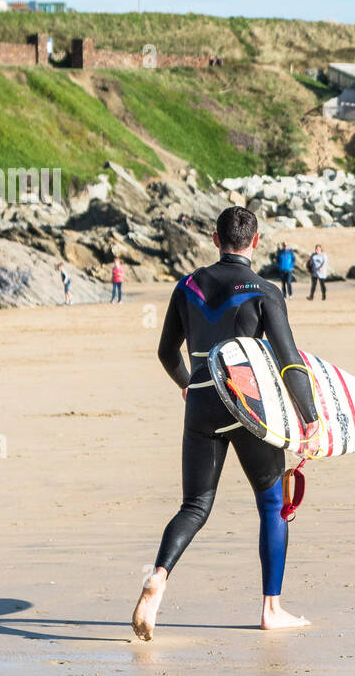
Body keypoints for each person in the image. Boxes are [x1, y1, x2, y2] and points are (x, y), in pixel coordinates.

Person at [133, 206, 321, 639]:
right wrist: (310, 417)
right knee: (273, 504)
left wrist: (189, 385)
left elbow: (166, 353)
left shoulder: (188, 286)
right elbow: (290, 360)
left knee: (195, 506)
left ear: (215, 239)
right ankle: (271, 609)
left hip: (202, 398)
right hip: (249, 403)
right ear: (255, 243)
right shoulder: (265, 290)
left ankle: (158, 578)